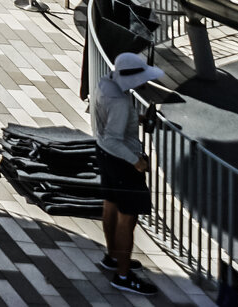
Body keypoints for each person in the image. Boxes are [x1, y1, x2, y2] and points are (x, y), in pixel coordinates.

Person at [94, 50, 162, 295]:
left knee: (110, 205)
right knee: (127, 219)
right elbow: (115, 138)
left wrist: (137, 118)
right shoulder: (122, 103)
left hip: (103, 154)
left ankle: (112, 256)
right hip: (123, 161)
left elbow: (110, 124)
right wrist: (136, 161)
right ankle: (123, 276)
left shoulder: (105, 84)